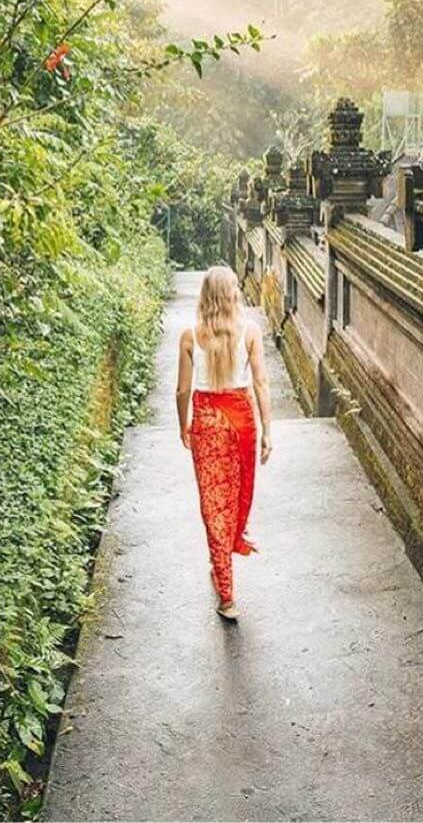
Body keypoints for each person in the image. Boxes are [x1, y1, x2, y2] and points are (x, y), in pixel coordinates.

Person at [176, 265, 272, 621]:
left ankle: (227, 594)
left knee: (214, 504)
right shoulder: (249, 332)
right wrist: (268, 431)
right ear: (232, 294)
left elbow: (183, 389)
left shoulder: (190, 337)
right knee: (236, 497)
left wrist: (182, 425)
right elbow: (261, 383)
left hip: (206, 421)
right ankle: (224, 567)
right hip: (242, 420)